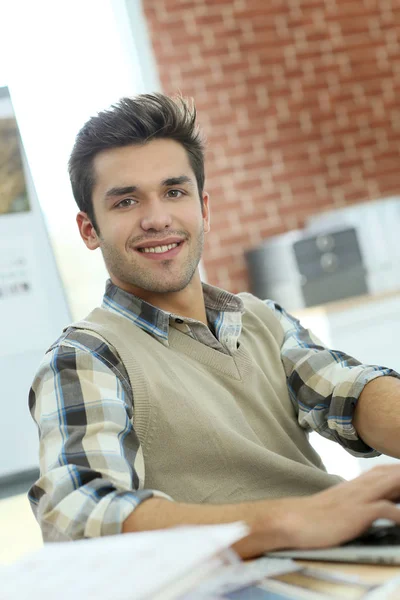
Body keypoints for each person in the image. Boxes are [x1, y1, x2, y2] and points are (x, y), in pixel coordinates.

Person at [29, 93, 400, 558]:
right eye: (126, 201)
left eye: (174, 192)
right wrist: (290, 521)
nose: (157, 218)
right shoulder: (86, 356)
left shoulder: (261, 319)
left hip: (347, 556)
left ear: (203, 208)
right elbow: (79, 516)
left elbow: (348, 389)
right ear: (89, 230)